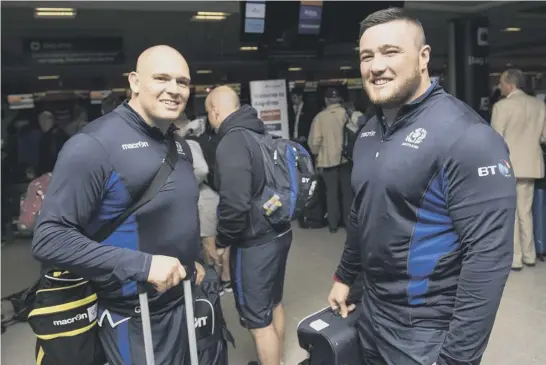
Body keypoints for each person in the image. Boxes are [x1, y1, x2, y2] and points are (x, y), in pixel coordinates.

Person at [327, 8, 516, 365]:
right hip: (372, 314)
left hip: (426, 333)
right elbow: (362, 212)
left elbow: (488, 258)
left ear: (423, 57)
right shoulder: (369, 131)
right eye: (367, 56)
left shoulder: (467, 136)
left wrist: (457, 358)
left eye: (390, 51)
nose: (375, 66)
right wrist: (344, 276)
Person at [32, 45, 204, 365]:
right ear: (135, 82)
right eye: (162, 78)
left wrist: (195, 258)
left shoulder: (178, 144)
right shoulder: (93, 145)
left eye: (182, 81)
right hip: (132, 314)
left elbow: (177, 212)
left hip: (183, 302)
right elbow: (49, 238)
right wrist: (143, 265)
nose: (174, 89)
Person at [206, 86, 292, 365]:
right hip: (279, 231)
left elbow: (235, 204)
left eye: (208, 112)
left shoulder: (232, 141)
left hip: (254, 243)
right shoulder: (260, 133)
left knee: (257, 320)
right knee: (274, 302)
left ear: (215, 110)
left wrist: (221, 242)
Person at [491, 68, 546, 270]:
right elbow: (544, 137)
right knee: (526, 211)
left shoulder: (501, 106)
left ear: (510, 85)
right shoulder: (539, 105)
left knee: (511, 213)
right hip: (532, 165)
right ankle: (529, 255)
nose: (499, 87)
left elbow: (495, 140)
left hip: (508, 166)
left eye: (501, 83)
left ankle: (515, 258)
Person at [174, 116, 232, 294]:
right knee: (217, 243)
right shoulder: (199, 140)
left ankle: (218, 282)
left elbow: (202, 169)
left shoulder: (188, 143)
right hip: (212, 195)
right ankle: (225, 280)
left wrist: (187, 184)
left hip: (203, 199)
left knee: (210, 246)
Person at [308, 88, 354, 233]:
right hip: (346, 159)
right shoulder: (347, 114)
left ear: (326, 100)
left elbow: (314, 141)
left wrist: (316, 153)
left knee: (331, 193)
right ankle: (348, 223)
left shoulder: (320, 117)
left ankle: (333, 224)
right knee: (347, 193)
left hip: (328, 161)